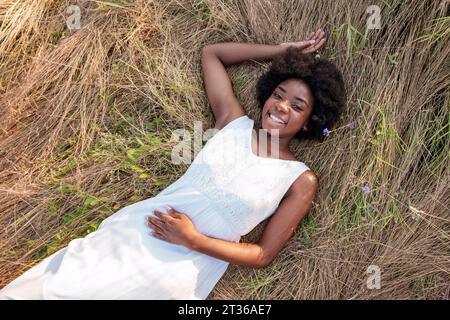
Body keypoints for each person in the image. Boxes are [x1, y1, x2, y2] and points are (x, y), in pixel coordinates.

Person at [0, 29, 346, 299]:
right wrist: (283, 52)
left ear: (310, 121)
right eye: (279, 94)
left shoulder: (299, 180)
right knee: (54, 287)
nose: (281, 107)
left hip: (184, 269)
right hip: (139, 232)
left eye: (297, 106)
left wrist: (192, 240)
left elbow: (262, 254)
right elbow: (212, 54)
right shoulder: (233, 123)